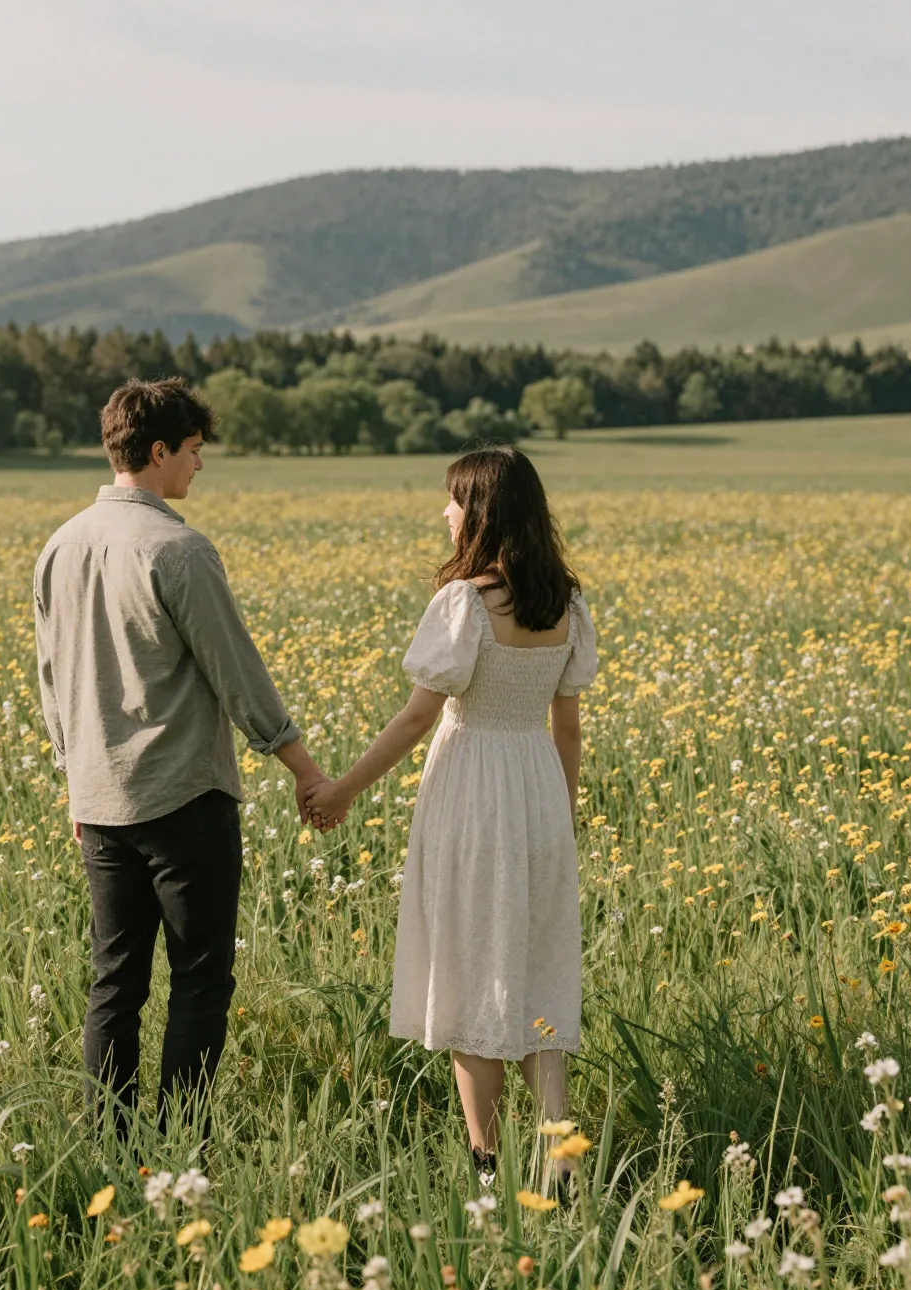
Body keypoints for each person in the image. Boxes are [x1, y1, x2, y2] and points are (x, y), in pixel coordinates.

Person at [33, 377, 330, 1139]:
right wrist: (304, 769)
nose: (200, 465)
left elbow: (51, 678)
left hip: (99, 801)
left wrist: (75, 783)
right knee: (201, 981)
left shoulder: (60, 546)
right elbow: (239, 675)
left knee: (114, 984)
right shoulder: (180, 550)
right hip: (183, 799)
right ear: (159, 451)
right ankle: (183, 1145)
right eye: (194, 451)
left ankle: (111, 1144)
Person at [306, 445, 597, 1178]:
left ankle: (488, 1168)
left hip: (473, 792)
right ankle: (559, 1164)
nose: (445, 511)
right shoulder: (566, 603)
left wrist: (340, 789)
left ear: (481, 512)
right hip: (537, 792)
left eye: (454, 500)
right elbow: (569, 731)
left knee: (473, 976)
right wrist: (559, 819)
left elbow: (414, 721)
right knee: (535, 975)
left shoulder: (465, 602)